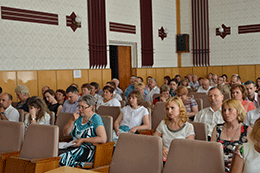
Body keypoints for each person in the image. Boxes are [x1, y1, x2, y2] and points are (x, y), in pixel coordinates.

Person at [59, 95, 107, 167]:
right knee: (56, 154)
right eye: (79, 106)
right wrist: (72, 120)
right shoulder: (78, 116)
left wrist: (83, 140)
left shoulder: (96, 118)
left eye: (83, 107)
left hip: (88, 150)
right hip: (74, 146)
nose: (80, 109)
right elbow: (65, 133)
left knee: (64, 157)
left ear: (91, 107)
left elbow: (103, 139)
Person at [211, 98, 252, 173]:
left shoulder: (247, 130)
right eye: (224, 110)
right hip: (218, 166)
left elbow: (251, 156)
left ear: (238, 111)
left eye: (230, 109)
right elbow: (210, 151)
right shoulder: (217, 128)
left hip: (239, 168)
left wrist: (236, 162)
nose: (226, 113)